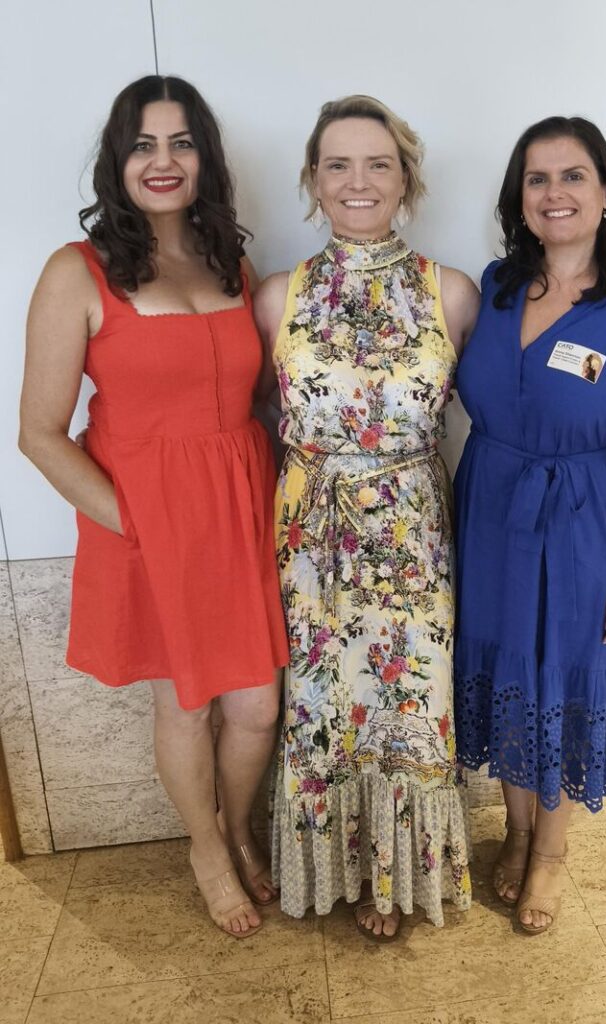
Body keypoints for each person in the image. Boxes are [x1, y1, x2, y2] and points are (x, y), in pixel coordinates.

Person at [19, 76, 289, 938]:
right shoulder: (76, 270)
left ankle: (236, 827)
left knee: (256, 706)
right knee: (187, 703)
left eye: (181, 143)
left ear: (205, 158)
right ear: (119, 161)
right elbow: (39, 434)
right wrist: (132, 522)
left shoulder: (230, 263)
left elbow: (269, 396)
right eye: (144, 145)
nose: (163, 161)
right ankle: (207, 851)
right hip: (147, 518)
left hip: (241, 507)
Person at [452, 116, 606, 934]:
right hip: (488, 506)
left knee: (562, 672)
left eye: (573, 175)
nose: (555, 193)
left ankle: (550, 850)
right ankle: (516, 830)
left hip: (580, 520)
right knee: (503, 668)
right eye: (538, 178)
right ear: (519, 198)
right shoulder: (496, 286)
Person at [254, 96, 479, 940]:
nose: (358, 181)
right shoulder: (278, 296)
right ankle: (338, 869)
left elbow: (498, 410)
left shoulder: (451, 292)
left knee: (407, 702)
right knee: (322, 705)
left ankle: (397, 876)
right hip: (311, 541)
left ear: (406, 179)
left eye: (378, 163)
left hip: (413, 540)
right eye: (338, 164)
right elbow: (254, 411)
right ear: (313, 180)